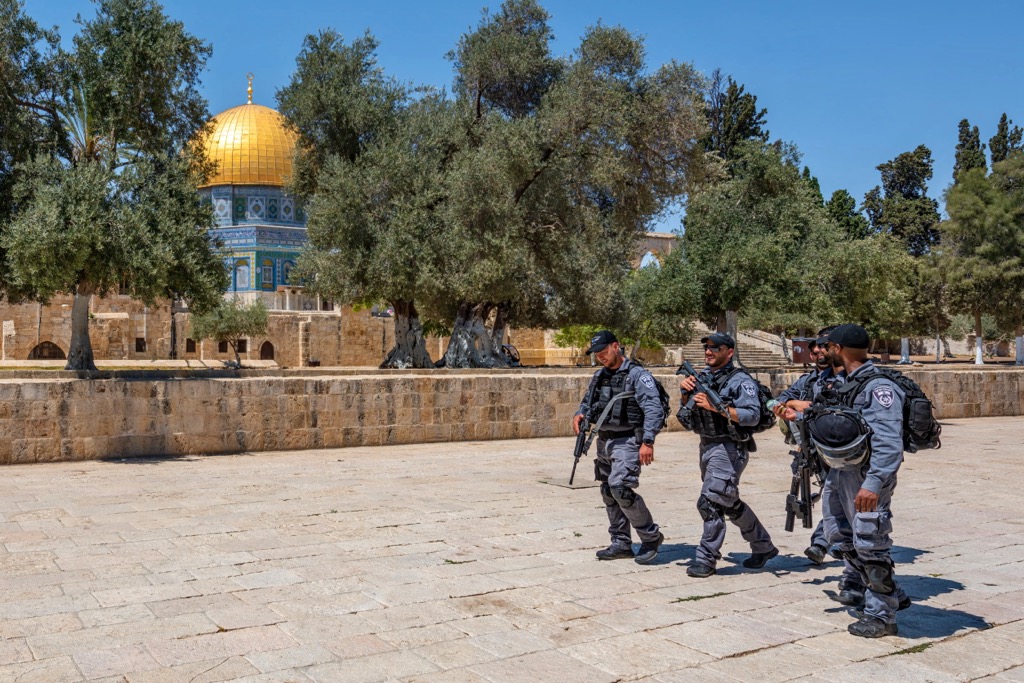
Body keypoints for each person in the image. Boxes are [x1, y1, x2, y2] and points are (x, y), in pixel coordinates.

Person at [813, 324, 911, 638]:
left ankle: (882, 617)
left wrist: (874, 483)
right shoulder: (847, 382)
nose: (822, 351)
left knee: (870, 543)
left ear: (838, 348)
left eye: (827, 346)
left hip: (866, 476)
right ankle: (892, 592)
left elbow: (889, 443)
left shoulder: (878, 387)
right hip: (841, 472)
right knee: (840, 535)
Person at [678, 332, 778, 578]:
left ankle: (706, 559)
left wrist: (718, 408)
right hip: (707, 446)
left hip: (729, 448)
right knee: (728, 502)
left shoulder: (740, 380)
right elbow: (686, 416)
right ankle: (763, 546)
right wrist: (685, 393)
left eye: (715, 348)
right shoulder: (702, 377)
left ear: (729, 352)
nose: (709, 351)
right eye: (707, 347)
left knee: (710, 502)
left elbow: (752, 415)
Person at [573, 330, 665, 565]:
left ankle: (650, 537)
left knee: (620, 488)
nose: (601, 357)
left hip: (628, 440)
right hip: (604, 440)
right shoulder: (599, 376)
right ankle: (621, 543)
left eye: (604, 351)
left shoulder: (636, 375)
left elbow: (653, 408)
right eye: (597, 354)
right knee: (608, 491)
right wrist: (580, 414)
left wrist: (648, 441)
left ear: (616, 346)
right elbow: (587, 401)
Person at [773, 329, 839, 565]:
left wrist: (806, 407)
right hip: (810, 447)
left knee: (835, 494)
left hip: (836, 447)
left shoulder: (844, 378)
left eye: (823, 346)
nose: (818, 351)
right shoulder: (807, 381)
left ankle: (822, 542)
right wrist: (793, 403)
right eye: (814, 349)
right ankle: (837, 540)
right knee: (834, 495)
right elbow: (775, 402)